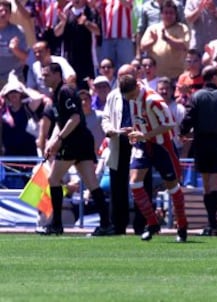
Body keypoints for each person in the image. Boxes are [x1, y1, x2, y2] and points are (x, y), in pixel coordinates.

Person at [41, 62, 113, 236]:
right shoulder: (56, 93)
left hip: (74, 142)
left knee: (53, 179)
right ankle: (106, 223)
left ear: (57, 74)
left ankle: (56, 224)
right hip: (81, 141)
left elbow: (74, 118)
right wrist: (51, 141)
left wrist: (59, 139)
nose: (44, 78)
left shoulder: (65, 91)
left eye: (47, 75)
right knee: (91, 183)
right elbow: (61, 122)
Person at [118, 73, 188, 242]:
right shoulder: (132, 97)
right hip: (143, 144)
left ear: (136, 88)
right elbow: (140, 119)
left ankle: (182, 225)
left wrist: (146, 134)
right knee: (134, 182)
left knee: (172, 186)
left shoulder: (152, 99)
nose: (130, 99)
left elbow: (170, 123)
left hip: (162, 145)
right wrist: (134, 131)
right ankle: (152, 223)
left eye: (131, 95)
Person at [180, 65, 217, 236]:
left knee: (207, 185)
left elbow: (188, 117)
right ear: (216, 77)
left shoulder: (196, 96)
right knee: (216, 184)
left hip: (201, 144)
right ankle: (213, 222)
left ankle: (211, 222)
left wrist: (182, 132)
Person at [102, 64, 151, 235]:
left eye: (127, 76)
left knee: (141, 183)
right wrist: (111, 130)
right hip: (119, 140)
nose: (123, 80)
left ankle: (143, 224)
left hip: (140, 142)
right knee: (118, 185)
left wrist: (139, 131)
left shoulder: (146, 93)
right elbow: (106, 117)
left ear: (136, 75)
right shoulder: (113, 96)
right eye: (120, 76)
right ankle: (117, 225)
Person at [140, 0, 190, 81]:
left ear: (175, 14)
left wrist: (168, 39)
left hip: (176, 75)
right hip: (156, 76)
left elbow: (184, 46)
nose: (168, 15)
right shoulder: (153, 28)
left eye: (171, 13)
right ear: (161, 14)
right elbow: (142, 47)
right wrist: (153, 41)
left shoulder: (182, 28)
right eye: (166, 13)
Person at [0, 0, 28, 89]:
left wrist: (15, 50)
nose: (3, 13)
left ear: (10, 14)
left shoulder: (17, 31)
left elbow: (26, 57)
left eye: (6, 11)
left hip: (13, 78)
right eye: (0, 11)